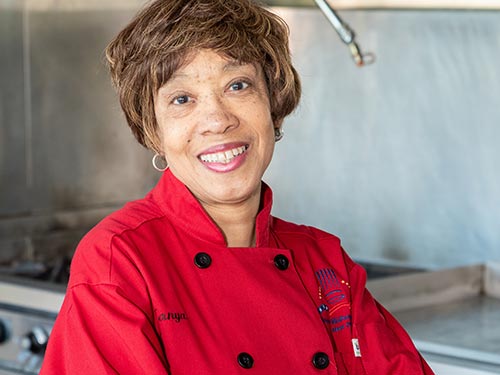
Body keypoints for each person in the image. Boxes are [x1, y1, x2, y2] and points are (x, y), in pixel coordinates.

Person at [40, 0, 434, 374]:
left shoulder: (324, 262)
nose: (217, 119)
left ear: (273, 106)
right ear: (153, 131)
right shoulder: (120, 261)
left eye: (238, 86)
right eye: (182, 98)